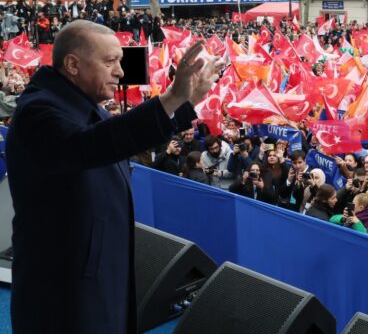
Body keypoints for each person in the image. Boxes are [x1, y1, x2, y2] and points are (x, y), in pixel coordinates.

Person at [6, 20, 222, 333]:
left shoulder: (82, 105)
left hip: (93, 278)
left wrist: (187, 102)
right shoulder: (39, 111)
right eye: (110, 62)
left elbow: (119, 139)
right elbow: (93, 145)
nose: (120, 72)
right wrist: (173, 98)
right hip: (62, 292)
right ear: (73, 64)